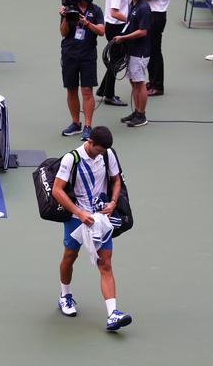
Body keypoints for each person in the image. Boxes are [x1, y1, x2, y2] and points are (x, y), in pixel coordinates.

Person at [52, 126, 132, 332]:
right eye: (99, 149)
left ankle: (113, 314)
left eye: (105, 150)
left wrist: (113, 202)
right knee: (70, 257)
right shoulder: (71, 159)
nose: (102, 153)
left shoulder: (108, 154)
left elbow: (116, 181)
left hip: (99, 219)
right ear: (90, 142)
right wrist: (79, 213)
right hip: (76, 217)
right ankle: (65, 296)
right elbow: (57, 190)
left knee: (105, 263)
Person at [59, 0, 105, 140]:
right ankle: (75, 123)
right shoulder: (70, 8)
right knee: (71, 89)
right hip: (70, 54)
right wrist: (64, 17)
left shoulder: (96, 10)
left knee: (87, 90)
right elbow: (63, 33)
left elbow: (101, 31)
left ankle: (87, 126)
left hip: (88, 55)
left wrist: (87, 23)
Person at [115, 0, 151, 127]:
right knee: (133, 82)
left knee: (139, 83)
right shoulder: (133, 4)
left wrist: (124, 38)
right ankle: (136, 111)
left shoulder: (144, 8)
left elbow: (143, 32)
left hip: (140, 52)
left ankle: (142, 115)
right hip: (132, 50)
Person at [97, 0, 131, 107]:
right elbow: (114, 12)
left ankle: (103, 90)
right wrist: (130, 19)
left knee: (115, 60)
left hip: (113, 27)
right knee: (116, 62)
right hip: (116, 28)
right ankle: (109, 95)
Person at [143, 0, 174, 96]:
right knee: (149, 51)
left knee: (155, 52)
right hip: (151, 15)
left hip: (157, 17)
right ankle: (152, 81)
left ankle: (158, 86)